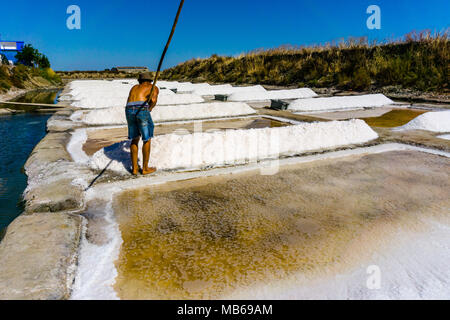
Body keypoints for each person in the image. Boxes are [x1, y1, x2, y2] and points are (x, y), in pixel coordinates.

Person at [125, 72, 159, 175]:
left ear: (139, 81)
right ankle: (145, 169)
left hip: (129, 109)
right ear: (150, 80)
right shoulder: (153, 87)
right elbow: (153, 100)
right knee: (146, 138)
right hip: (142, 108)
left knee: (135, 138)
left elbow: (129, 101)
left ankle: (135, 169)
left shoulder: (134, 87)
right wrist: (150, 108)